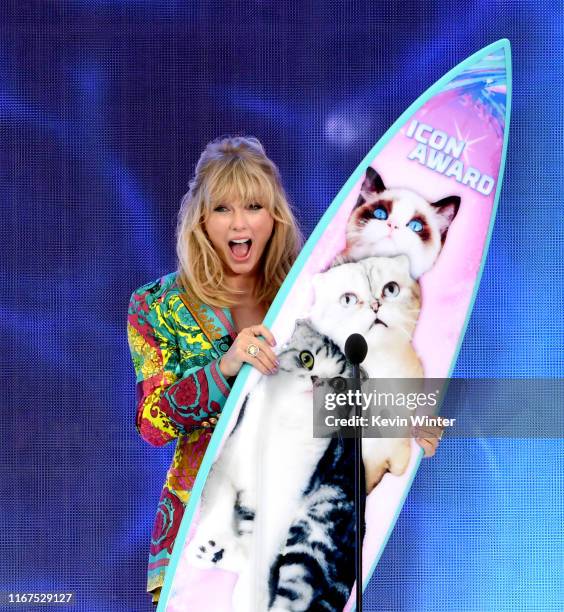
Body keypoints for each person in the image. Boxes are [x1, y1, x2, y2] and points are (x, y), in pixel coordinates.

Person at [126, 135, 441, 605]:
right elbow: (152, 423)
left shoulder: (314, 294)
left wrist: (401, 421)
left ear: (273, 215)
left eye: (254, 206)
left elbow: (343, 401)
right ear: (200, 219)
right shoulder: (156, 306)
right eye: (222, 209)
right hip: (202, 540)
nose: (239, 223)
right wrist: (226, 367)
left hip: (304, 542)